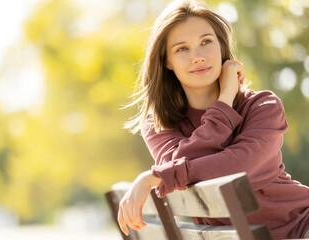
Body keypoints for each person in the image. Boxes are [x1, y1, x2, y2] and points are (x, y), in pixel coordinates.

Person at [117, 0, 309, 239]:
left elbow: (239, 170)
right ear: (167, 61)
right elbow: (184, 167)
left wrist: (154, 177)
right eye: (181, 49)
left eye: (206, 42)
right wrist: (224, 101)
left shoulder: (263, 107)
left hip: (301, 228)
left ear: (221, 47)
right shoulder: (159, 125)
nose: (197, 56)